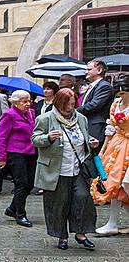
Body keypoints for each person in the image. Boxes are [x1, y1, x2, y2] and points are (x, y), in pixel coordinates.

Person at [32, 88, 98, 250]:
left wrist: (91, 141)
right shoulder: (45, 118)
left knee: (83, 199)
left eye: (73, 104)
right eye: (67, 104)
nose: (70, 107)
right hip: (56, 170)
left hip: (78, 168)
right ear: (59, 103)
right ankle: (62, 236)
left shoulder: (81, 118)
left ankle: (80, 234)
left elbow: (82, 136)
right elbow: (34, 139)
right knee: (59, 204)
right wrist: (48, 137)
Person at [91, 74, 129, 235]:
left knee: (125, 185)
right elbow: (111, 127)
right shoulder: (115, 104)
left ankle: (113, 223)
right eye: (119, 90)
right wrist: (104, 148)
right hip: (117, 146)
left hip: (126, 147)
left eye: (124, 90)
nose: (121, 93)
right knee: (114, 184)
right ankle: (112, 223)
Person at [0, 90, 36, 227]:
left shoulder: (30, 113)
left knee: (30, 183)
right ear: (15, 102)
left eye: (29, 101)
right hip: (15, 152)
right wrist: (1, 157)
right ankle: (20, 214)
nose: (28, 104)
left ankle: (12, 208)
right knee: (22, 183)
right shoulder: (9, 115)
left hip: (30, 152)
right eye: (24, 101)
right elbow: (1, 137)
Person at [78, 59, 114, 152]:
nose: (86, 72)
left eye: (89, 69)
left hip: (96, 128)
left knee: (94, 157)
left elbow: (94, 105)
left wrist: (74, 111)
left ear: (99, 70)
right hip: (86, 125)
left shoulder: (104, 86)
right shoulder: (92, 86)